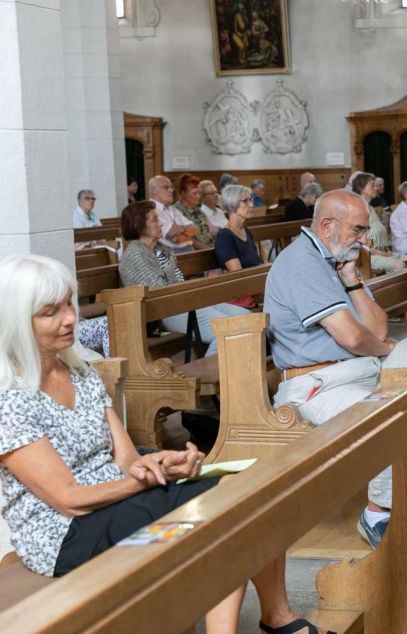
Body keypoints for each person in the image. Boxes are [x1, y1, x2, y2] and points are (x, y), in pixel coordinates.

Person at [0, 254, 317, 634]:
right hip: (63, 533)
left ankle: (274, 615)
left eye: (69, 303)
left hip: (116, 498)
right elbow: (67, 498)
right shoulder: (10, 398)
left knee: (248, 486)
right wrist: (147, 481)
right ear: (17, 321)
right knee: (224, 506)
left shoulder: (78, 371)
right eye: (50, 312)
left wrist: (162, 463)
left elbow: (126, 458)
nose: (70, 318)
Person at [263, 189, 407, 549]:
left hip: (363, 367)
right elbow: (352, 335)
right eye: (358, 230)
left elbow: (377, 328)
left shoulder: (336, 260)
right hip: (319, 384)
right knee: (388, 411)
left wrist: (352, 281)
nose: (365, 240)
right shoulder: (302, 262)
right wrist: (381, 348)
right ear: (327, 224)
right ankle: (378, 512)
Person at [118, 201, 247, 354]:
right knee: (228, 330)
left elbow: (177, 280)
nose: (161, 223)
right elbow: (158, 292)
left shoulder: (163, 250)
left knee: (246, 318)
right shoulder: (134, 255)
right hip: (162, 313)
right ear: (139, 226)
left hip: (182, 302)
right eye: (154, 220)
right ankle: (209, 372)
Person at [351, 172, 407, 275]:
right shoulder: (357, 209)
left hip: (382, 252)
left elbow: (379, 234)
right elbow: (359, 243)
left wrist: (386, 250)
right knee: (399, 265)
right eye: (372, 185)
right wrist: (382, 253)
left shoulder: (370, 208)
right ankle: (390, 291)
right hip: (367, 256)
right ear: (361, 188)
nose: (376, 188)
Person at [148, 175, 203, 253]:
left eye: (171, 187)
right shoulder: (151, 210)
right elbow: (176, 239)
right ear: (154, 191)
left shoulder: (172, 209)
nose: (171, 190)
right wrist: (185, 230)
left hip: (187, 251)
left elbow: (195, 229)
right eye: (166, 187)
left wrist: (179, 230)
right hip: (169, 254)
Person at [214, 185, 262, 273]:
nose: (251, 205)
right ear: (231, 203)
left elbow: (256, 263)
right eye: (245, 201)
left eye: (250, 200)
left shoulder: (246, 231)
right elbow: (238, 275)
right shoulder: (224, 237)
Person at [172, 174, 214, 247]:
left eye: (199, 193)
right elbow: (188, 240)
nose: (198, 196)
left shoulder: (198, 209)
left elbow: (212, 230)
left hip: (210, 248)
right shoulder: (175, 211)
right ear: (183, 194)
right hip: (197, 253)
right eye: (194, 193)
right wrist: (208, 250)